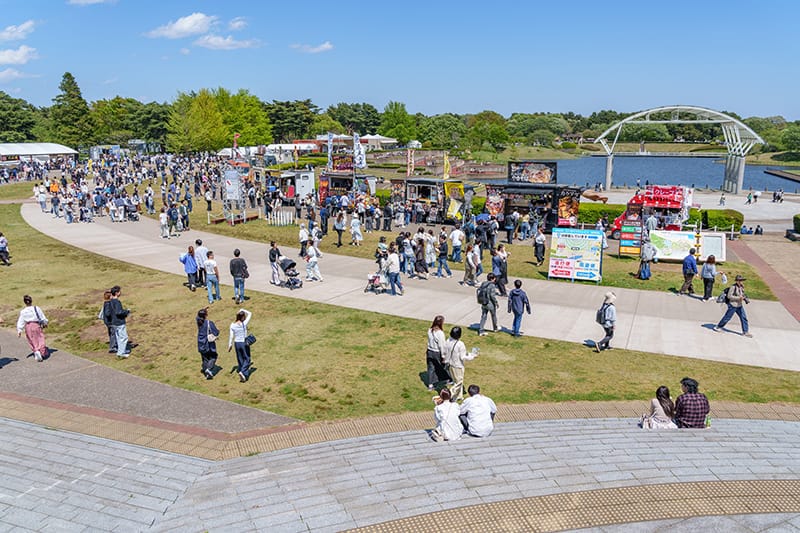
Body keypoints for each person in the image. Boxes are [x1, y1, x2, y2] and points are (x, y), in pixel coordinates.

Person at [443, 326, 478, 400]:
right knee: (458, 383)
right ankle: (449, 395)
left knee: (456, 381)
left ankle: (459, 396)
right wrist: (472, 356)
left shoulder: (448, 340)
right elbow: (463, 357)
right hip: (458, 366)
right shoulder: (460, 344)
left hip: (450, 364)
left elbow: (445, 352)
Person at [16, 295, 48, 362]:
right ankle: (42, 351)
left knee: (32, 340)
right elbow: (41, 316)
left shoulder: (23, 311)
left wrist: (19, 330)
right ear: (31, 301)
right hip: (36, 325)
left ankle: (36, 350)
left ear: (25, 302)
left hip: (28, 326)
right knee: (40, 338)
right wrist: (45, 322)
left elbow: (21, 321)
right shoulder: (36, 308)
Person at [104, 285, 132, 359]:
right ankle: (121, 353)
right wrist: (126, 312)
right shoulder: (117, 302)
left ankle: (121, 351)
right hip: (119, 322)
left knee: (119, 337)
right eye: (119, 291)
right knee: (123, 337)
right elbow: (118, 312)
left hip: (114, 322)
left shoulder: (110, 302)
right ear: (117, 293)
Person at [228, 308, 253, 382]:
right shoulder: (244, 323)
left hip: (236, 343)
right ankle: (243, 372)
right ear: (242, 317)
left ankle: (243, 375)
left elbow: (231, 336)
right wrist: (242, 309)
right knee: (247, 359)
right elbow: (250, 313)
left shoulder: (232, 325)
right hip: (244, 343)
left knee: (240, 358)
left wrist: (230, 345)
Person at [426, 315, 450, 390]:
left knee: (431, 368)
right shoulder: (440, 333)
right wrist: (443, 356)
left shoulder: (430, 330)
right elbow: (441, 346)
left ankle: (430, 384)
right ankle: (446, 379)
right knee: (442, 366)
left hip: (429, 351)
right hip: (436, 352)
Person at [196, 307, 220, 380]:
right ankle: (208, 369)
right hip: (208, 344)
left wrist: (203, 310)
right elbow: (216, 332)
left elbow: (197, 316)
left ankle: (207, 372)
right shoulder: (209, 323)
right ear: (205, 315)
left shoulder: (198, 321)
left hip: (200, 343)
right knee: (213, 356)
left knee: (205, 358)